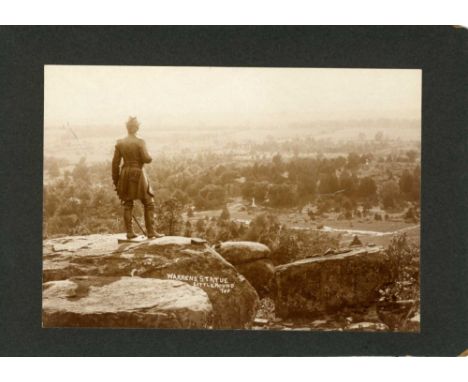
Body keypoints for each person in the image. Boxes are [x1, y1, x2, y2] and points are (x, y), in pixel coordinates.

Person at [112, 117, 163, 239]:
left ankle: (129, 232)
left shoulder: (120, 143)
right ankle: (150, 232)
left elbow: (115, 164)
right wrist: (150, 157)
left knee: (128, 203)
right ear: (136, 128)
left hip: (125, 173)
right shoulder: (140, 142)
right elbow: (146, 158)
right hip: (138, 173)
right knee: (148, 202)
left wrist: (116, 181)